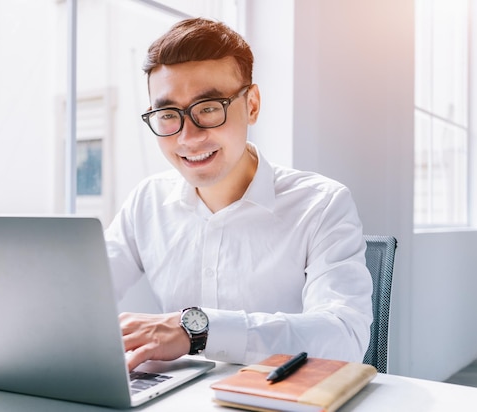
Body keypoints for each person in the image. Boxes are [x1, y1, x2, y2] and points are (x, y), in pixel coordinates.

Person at [104, 17, 373, 372]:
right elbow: (78, 298)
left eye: (209, 108)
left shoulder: (322, 205)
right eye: (169, 114)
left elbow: (344, 338)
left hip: (277, 400)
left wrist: (197, 330)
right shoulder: (146, 202)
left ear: (252, 105)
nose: (188, 137)